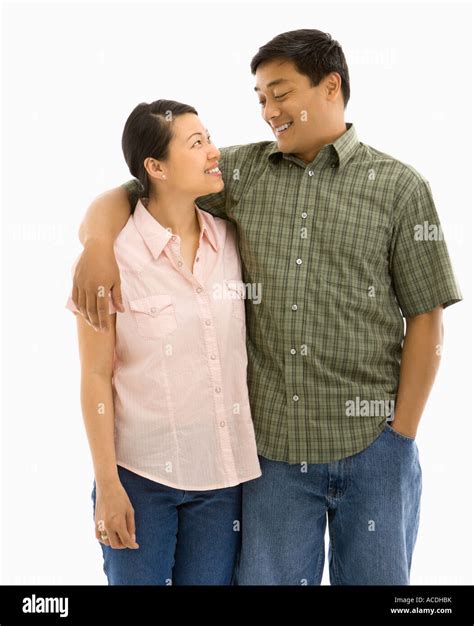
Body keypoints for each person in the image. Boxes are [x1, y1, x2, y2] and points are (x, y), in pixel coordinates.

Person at [70, 30, 463, 584]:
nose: (267, 112)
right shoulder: (241, 172)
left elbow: (427, 315)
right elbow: (140, 186)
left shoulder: (399, 187)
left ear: (331, 88)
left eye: (279, 94)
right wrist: (95, 246)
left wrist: (401, 436)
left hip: (375, 449)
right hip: (273, 458)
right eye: (259, 98)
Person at [64, 99, 262, 585]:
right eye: (197, 144)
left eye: (210, 138)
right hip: (140, 478)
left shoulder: (233, 243)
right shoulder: (115, 259)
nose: (214, 151)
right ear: (155, 167)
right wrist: (108, 485)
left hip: (222, 482)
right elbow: (95, 377)